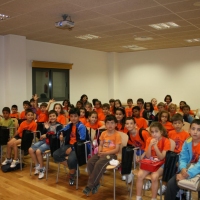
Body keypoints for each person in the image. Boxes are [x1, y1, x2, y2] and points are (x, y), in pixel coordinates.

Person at [82, 115, 122, 195]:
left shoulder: (117, 135)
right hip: (102, 153)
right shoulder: (103, 133)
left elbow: (117, 150)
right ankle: (96, 183)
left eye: (112, 123)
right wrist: (100, 151)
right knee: (90, 162)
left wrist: (105, 153)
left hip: (111, 155)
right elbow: (100, 144)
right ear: (105, 124)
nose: (110, 125)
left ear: (116, 124)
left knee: (98, 164)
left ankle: (89, 186)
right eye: (108, 123)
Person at [164, 119, 200, 200]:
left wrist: (187, 174)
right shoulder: (188, 141)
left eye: (199, 130)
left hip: (196, 171)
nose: (195, 132)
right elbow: (183, 158)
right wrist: (183, 169)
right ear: (189, 130)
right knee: (171, 184)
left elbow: (199, 165)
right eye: (193, 129)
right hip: (187, 169)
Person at [53, 108, 88, 185]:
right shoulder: (69, 125)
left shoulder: (81, 127)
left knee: (71, 159)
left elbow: (82, 140)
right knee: (55, 154)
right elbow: (60, 131)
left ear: (79, 117)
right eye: (71, 116)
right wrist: (60, 135)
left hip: (80, 147)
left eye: (75, 116)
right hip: (70, 145)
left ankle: (72, 175)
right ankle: (74, 168)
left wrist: (72, 148)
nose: (73, 118)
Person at [136, 122, 171, 200]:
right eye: (152, 132)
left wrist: (155, 146)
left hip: (161, 163)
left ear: (161, 132)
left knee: (154, 177)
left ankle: (153, 198)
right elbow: (148, 156)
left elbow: (161, 157)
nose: (154, 134)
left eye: (156, 131)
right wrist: (150, 146)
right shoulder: (149, 139)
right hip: (151, 162)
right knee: (139, 175)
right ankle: (138, 197)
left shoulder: (166, 141)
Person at [29, 110, 62, 179]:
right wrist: (46, 129)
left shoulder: (59, 126)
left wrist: (46, 135)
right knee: (31, 149)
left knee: (38, 151)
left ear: (56, 117)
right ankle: (37, 165)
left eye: (53, 116)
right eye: (50, 116)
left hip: (52, 143)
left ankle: (42, 168)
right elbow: (42, 134)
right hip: (44, 141)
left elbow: (56, 136)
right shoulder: (47, 124)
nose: (52, 117)